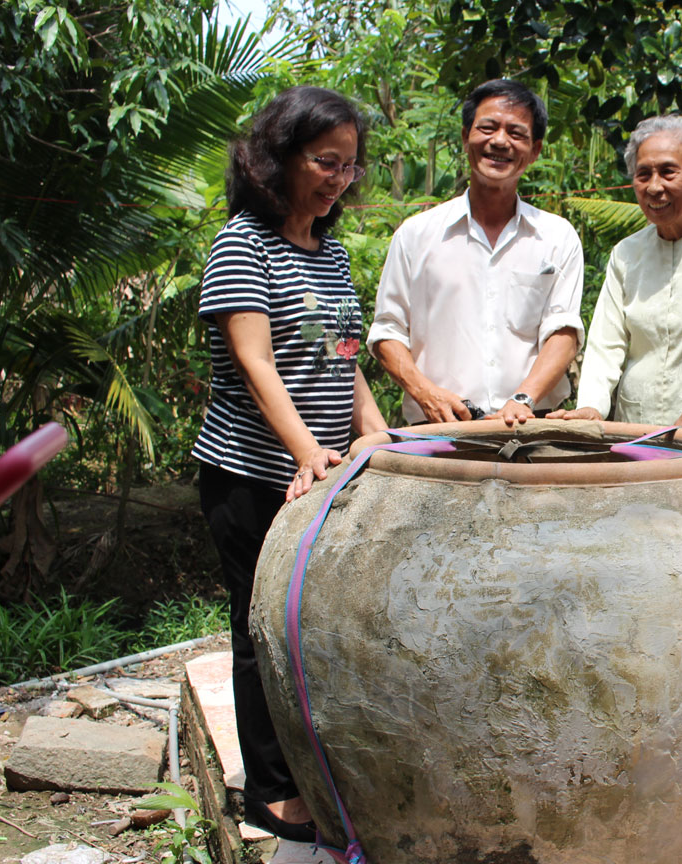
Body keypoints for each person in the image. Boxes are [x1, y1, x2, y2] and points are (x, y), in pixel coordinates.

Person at [191, 86, 388, 843]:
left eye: (349, 165)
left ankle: (318, 767)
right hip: (251, 475)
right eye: (324, 162)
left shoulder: (329, 251)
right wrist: (306, 452)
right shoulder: (244, 242)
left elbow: (345, 361)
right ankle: (270, 789)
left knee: (317, 629)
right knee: (262, 632)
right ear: (277, 160)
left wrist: (373, 435)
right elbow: (254, 362)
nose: (339, 178)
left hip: (324, 475)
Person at [368, 79, 584, 426]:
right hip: (439, 426)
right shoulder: (416, 235)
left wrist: (523, 399)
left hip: (531, 426)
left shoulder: (557, 237)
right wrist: (425, 393)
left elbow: (564, 331)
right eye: (488, 128)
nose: (500, 141)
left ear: (536, 150)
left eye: (516, 133)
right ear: (466, 134)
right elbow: (387, 331)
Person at [548, 115, 682, 431]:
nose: (654, 187)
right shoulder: (627, 253)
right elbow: (606, 343)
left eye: (668, 172)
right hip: (636, 428)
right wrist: (591, 407)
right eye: (643, 174)